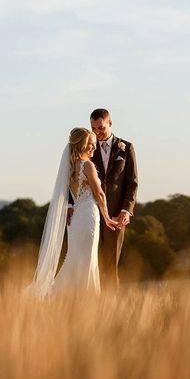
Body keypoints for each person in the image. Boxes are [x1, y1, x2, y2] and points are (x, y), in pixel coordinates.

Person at [28, 128, 121, 297]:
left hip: (76, 217)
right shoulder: (88, 166)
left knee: (75, 257)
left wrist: (70, 207)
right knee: (86, 258)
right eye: (91, 145)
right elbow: (99, 193)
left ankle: (63, 295)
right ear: (82, 146)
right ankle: (79, 297)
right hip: (88, 217)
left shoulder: (69, 168)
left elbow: (66, 195)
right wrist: (107, 217)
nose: (93, 148)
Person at [68, 108, 139, 287]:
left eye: (101, 128)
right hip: (88, 213)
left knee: (110, 263)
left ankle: (109, 306)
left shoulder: (126, 147)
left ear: (110, 123)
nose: (97, 132)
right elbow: (71, 176)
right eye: (93, 128)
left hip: (115, 214)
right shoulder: (86, 149)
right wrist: (70, 204)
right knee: (89, 260)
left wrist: (126, 210)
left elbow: (132, 182)